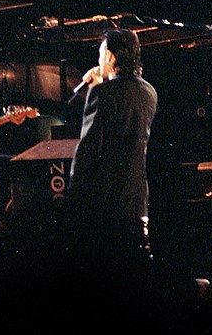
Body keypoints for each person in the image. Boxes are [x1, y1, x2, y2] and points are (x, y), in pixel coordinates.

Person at [65, 27, 159, 275]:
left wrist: (72, 198)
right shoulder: (149, 92)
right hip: (136, 199)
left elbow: (88, 150)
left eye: (100, 55)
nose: (98, 61)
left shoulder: (102, 93)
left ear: (110, 57)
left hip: (105, 202)